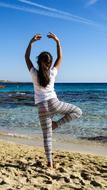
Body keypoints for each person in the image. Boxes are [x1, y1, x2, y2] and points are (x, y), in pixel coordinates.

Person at [25, 32, 82, 168]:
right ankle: (56, 125)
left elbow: (26, 57)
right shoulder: (52, 73)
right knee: (77, 111)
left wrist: (31, 42)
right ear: (50, 63)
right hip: (54, 103)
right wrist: (57, 41)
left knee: (47, 136)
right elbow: (60, 57)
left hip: (42, 107)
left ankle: (50, 163)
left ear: (38, 62)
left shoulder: (34, 73)